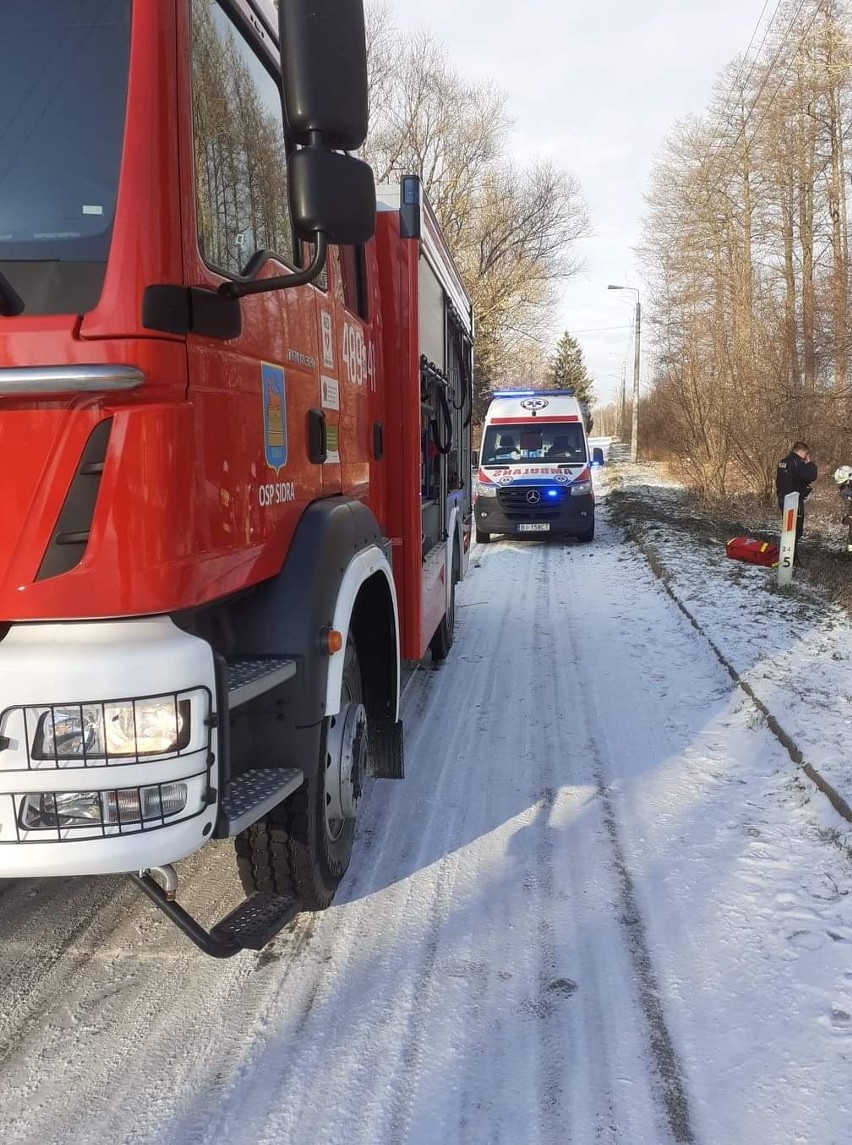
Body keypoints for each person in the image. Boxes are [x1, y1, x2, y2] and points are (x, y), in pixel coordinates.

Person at [776, 441, 818, 552]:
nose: (806, 457)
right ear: (802, 451)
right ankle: (790, 557)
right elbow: (812, 476)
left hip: (782, 498)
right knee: (796, 531)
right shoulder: (796, 462)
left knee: (788, 529)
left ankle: (790, 556)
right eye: (806, 454)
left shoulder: (783, 462)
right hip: (794, 501)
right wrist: (810, 463)